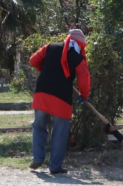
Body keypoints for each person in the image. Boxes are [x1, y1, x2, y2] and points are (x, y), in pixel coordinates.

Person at [29, 29, 91, 175]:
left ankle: (37, 158)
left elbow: (33, 60)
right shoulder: (77, 57)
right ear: (81, 45)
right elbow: (84, 79)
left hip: (42, 92)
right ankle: (55, 167)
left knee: (38, 126)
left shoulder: (50, 46)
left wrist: (45, 70)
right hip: (62, 98)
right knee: (60, 132)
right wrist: (84, 95)